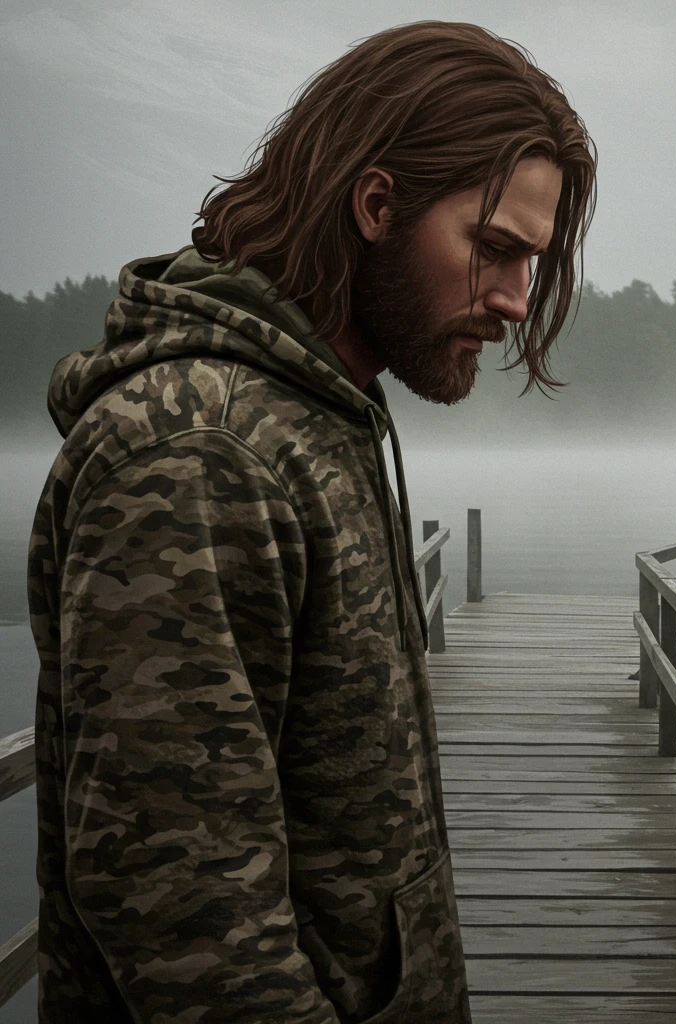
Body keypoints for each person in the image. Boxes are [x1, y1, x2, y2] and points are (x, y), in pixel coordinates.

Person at [26, 19, 597, 1024]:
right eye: (494, 249)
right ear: (378, 204)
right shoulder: (201, 449)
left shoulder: (310, 416)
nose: (515, 301)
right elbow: (186, 920)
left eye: (532, 264)